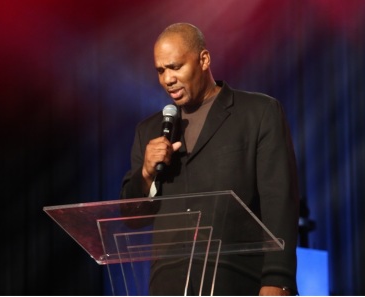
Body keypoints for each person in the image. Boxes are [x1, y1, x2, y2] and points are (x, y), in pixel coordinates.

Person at [120, 22, 300, 296]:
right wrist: (145, 174)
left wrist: (278, 279)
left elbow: (280, 202)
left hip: (238, 280)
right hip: (169, 285)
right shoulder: (149, 130)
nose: (167, 79)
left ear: (204, 59)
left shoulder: (258, 113)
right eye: (160, 70)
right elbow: (131, 219)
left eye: (176, 67)